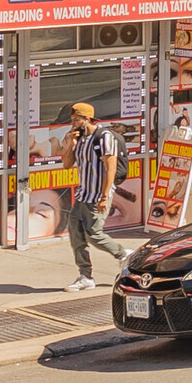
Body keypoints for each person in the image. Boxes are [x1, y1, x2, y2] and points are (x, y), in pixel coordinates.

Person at [60, 103, 127, 292]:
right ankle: (85, 275)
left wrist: (105, 196)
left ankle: (123, 255)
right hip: (82, 195)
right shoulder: (80, 138)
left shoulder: (104, 137)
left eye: (76, 120)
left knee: (94, 234)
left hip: (97, 195)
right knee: (76, 235)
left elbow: (111, 167)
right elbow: (67, 164)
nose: (72, 123)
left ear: (87, 119)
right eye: (72, 120)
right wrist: (72, 145)